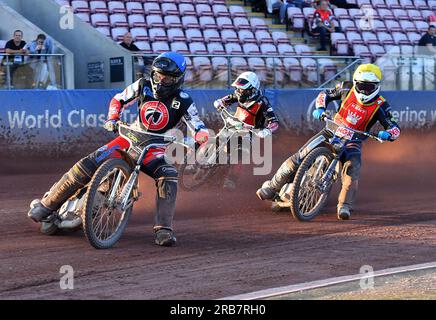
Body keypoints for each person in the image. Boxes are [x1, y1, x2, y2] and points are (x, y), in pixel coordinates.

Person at [28, 52, 209, 247]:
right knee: (87, 164)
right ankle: (48, 205)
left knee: (169, 175)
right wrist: (112, 118)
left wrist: (200, 139)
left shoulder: (184, 100)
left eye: (167, 78)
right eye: (158, 76)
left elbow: (198, 127)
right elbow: (118, 99)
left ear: (178, 79)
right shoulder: (142, 85)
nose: (161, 81)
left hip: (155, 149)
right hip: (129, 138)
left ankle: (163, 229)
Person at [256, 64, 401, 220]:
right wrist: (320, 108)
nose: (365, 90)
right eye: (361, 85)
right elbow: (325, 94)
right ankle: (272, 186)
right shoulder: (346, 87)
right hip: (331, 131)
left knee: (352, 170)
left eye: (369, 87)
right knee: (299, 156)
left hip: (354, 141)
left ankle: (344, 206)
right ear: (355, 82)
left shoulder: (381, 105)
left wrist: (388, 133)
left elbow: (395, 127)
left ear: (377, 86)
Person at [213, 71, 279, 190]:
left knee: (240, 155)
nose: (239, 92)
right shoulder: (238, 96)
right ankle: (199, 165)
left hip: (250, 134)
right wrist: (220, 103)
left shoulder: (262, 103)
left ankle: (231, 179)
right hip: (233, 126)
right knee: (216, 140)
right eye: (238, 89)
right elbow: (224, 100)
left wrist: (268, 130)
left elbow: (274, 122)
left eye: (242, 90)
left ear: (252, 90)